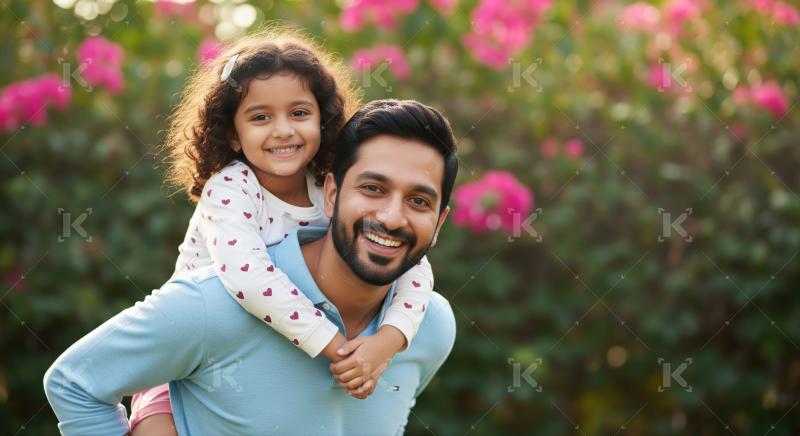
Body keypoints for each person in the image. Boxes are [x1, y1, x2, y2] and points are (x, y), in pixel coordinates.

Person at [44, 99, 459, 435]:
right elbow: (74, 383)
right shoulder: (212, 305)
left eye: (419, 201)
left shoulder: (432, 326)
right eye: (373, 188)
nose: (390, 218)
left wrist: (388, 340)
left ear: (439, 223)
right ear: (331, 194)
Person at [126, 27, 438, 433]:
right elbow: (249, 278)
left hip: (264, 353)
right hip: (180, 360)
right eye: (260, 117)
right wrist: (335, 347)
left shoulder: (327, 187)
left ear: (323, 121)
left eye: (299, 113)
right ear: (233, 136)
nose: (283, 130)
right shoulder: (231, 189)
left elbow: (416, 267)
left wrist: (388, 342)